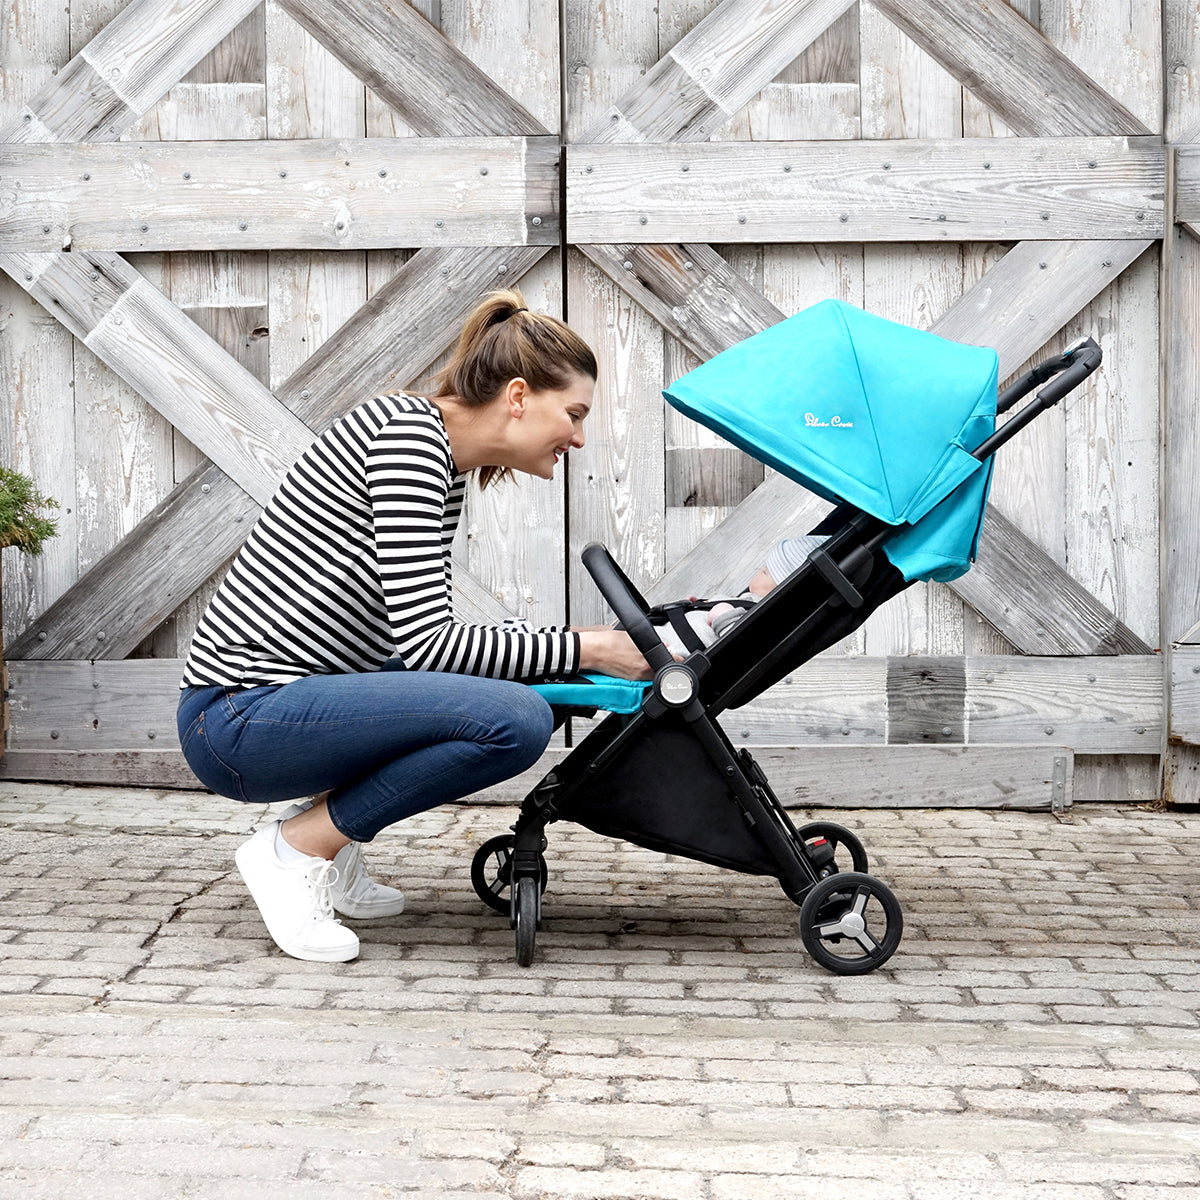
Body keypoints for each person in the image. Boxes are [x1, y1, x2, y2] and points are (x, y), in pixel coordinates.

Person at [176, 290, 650, 963]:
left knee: (529, 686)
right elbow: (431, 644)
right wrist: (588, 645)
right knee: (514, 720)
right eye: (573, 414)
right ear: (518, 396)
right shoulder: (408, 442)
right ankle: (293, 851)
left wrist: (571, 658)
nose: (577, 436)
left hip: (276, 700)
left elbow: (417, 644)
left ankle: (329, 850)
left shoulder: (437, 458)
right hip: (237, 717)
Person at [655, 534, 829, 655]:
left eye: (765, 572)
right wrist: (694, 606)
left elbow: (743, 644)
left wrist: (723, 618)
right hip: (662, 634)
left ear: (781, 591)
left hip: (673, 652)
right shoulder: (745, 600)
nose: (758, 571)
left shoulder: (762, 616)